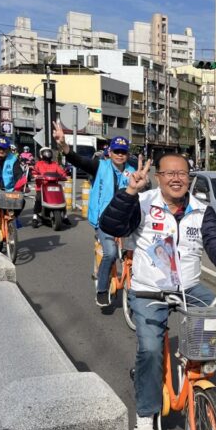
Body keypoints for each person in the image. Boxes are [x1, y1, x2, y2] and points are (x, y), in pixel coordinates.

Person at [99, 153, 216, 430]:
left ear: (190, 177)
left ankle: (196, 377)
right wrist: (130, 192)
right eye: (169, 173)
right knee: (149, 349)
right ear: (158, 177)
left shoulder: (202, 209)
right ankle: (146, 412)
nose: (176, 178)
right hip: (149, 289)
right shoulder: (143, 203)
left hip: (189, 287)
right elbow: (111, 226)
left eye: (182, 173)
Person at [53, 121, 136, 307]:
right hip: (104, 221)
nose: (120, 155)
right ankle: (102, 290)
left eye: (123, 152)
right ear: (110, 152)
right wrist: (64, 146)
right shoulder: (100, 166)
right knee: (111, 253)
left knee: (137, 254)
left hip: (126, 222)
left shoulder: (132, 172)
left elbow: (144, 191)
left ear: (127, 154)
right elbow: (77, 160)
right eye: (116, 151)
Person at [31, 147, 70, 228]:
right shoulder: (39, 164)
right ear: (41, 154)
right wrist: (36, 175)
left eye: (49, 152)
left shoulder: (55, 164)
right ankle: (35, 217)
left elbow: (61, 172)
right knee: (38, 198)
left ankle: (65, 216)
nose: (47, 154)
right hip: (42, 186)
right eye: (45, 152)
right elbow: (34, 171)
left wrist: (65, 176)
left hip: (54, 185)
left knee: (62, 199)